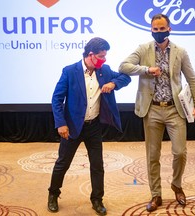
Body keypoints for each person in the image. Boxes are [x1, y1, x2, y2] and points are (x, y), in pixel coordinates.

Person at [119, 14, 195, 212]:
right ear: (151, 30)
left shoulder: (180, 52)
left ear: (169, 29)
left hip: (175, 109)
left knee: (180, 152)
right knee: (152, 155)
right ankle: (156, 194)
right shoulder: (143, 49)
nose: (158, 32)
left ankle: (176, 184)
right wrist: (147, 69)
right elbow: (123, 66)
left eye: (162, 28)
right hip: (152, 109)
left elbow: (192, 78)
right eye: (155, 29)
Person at [48, 37, 131, 215]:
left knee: (97, 165)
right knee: (63, 163)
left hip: (94, 126)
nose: (104, 59)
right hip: (72, 127)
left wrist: (113, 83)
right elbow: (57, 99)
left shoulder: (105, 71)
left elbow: (126, 78)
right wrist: (61, 123)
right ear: (91, 55)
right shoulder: (70, 71)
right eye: (102, 56)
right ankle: (53, 195)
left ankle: (97, 199)